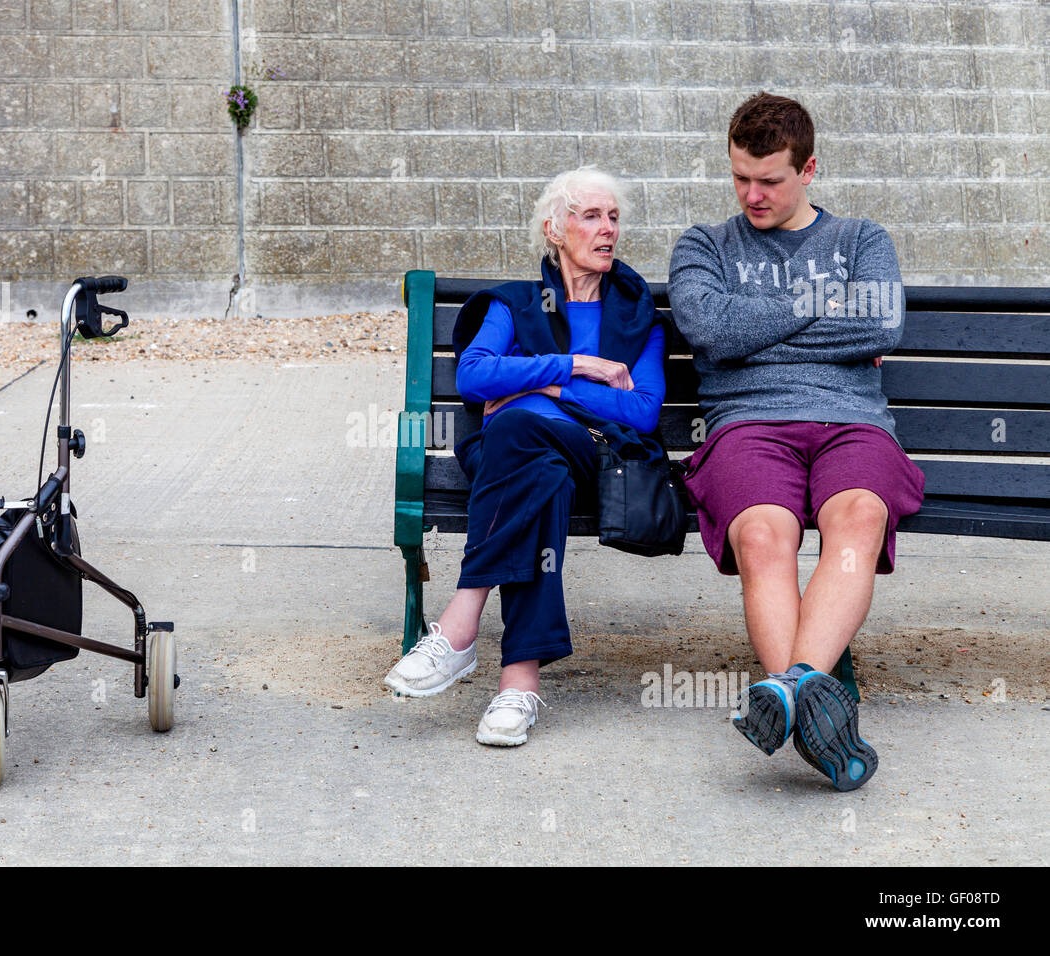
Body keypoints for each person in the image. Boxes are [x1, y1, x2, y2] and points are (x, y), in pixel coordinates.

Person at [668, 92, 925, 790]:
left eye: (771, 180)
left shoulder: (861, 240)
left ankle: (787, 692)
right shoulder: (703, 245)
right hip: (747, 426)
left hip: (852, 424)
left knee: (860, 517)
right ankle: (816, 707)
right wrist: (819, 304)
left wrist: (755, 328)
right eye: (740, 178)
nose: (752, 194)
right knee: (762, 537)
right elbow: (709, 330)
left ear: (809, 168)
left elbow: (881, 326)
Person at [383, 166, 667, 746]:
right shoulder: (515, 304)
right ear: (554, 229)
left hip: (602, 457)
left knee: (514, 424)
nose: (607, 228)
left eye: (612, 217)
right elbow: (475, 373)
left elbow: (640, 412)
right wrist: (575, 367)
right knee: (538, 469)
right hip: (540, 472)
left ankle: (461, 623)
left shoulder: (639, 317)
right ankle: (518, 686)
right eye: (590, 215)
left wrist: (544, 388)